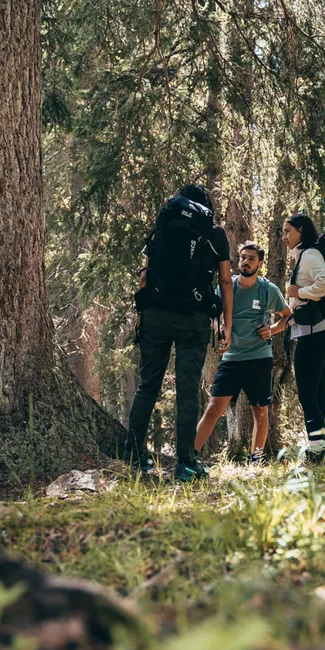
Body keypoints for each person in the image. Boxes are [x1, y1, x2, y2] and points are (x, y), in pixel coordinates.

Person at [124, 184, 233, 481]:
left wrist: (142, 313)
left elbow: (145, 276)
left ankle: (133, 453)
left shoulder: (164, 225)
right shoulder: (215, 233)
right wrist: (227, 325)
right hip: (193, 320)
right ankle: (186, 463)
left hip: (155, 315)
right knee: (187, 390)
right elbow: (225, 281)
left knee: (148, 384)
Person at [194, 241, 291, 463]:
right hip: (231, 359)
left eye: (251, 259)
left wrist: (273, 330)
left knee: (261, 412)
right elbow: (213, 316)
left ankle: (255, 460)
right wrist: (221, 331)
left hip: (258, 358)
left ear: (260, 263)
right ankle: (190, 457)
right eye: (243, 257)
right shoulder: (227, 287)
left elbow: (288, 315)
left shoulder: (268, 289)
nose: (245, 262)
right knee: (213, 409)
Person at [282, 214, 325, 459]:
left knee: (307, 394)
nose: (284, 237)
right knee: (317, 394)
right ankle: (324, 448)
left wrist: (300, 292)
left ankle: (317, 450)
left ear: (301, 231)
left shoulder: (309, 255)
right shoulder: (304, 256)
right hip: (318, 334)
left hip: (314, 336)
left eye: (287, 231)